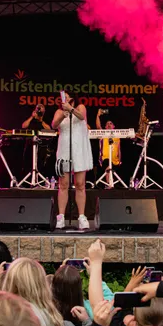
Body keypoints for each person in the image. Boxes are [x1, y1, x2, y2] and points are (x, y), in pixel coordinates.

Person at [52, 91, 93, 230]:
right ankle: (61, 217)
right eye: (63, 97)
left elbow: (81, 117)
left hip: (79, 149)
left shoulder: (80, 107)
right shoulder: (59, 111)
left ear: (72, 97)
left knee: (80, 184)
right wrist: (63, 115)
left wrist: (71, 109)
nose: (65, 98)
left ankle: (81, 216)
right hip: (64, 149)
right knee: (63, 184)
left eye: (67, 96)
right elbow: (54, 125)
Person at [21, 104, 53, 179]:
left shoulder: (45, 120)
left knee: (40, 164)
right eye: (38, 109)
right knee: (28, 163)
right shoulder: (31, 119)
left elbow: (49, 129)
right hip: (30, 145)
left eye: (41, 110)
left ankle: (38, 179)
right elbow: (23, 126)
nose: (39, 111)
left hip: (41, 146)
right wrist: (32, 117)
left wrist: (41, 120)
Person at [95, 109, 122, 186]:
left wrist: (120, 160)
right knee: (108, 166)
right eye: (107, 124)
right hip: (105, 159)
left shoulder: (117, 137)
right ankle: (108, 184)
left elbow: (119, 149)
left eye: (111, 123)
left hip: (115, 160)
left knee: (111, 168)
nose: (109, 125)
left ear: (114, 126)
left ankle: (110, 183)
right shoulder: (103, 134)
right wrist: (98, 115)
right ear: (105, 127)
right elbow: (98, 127)